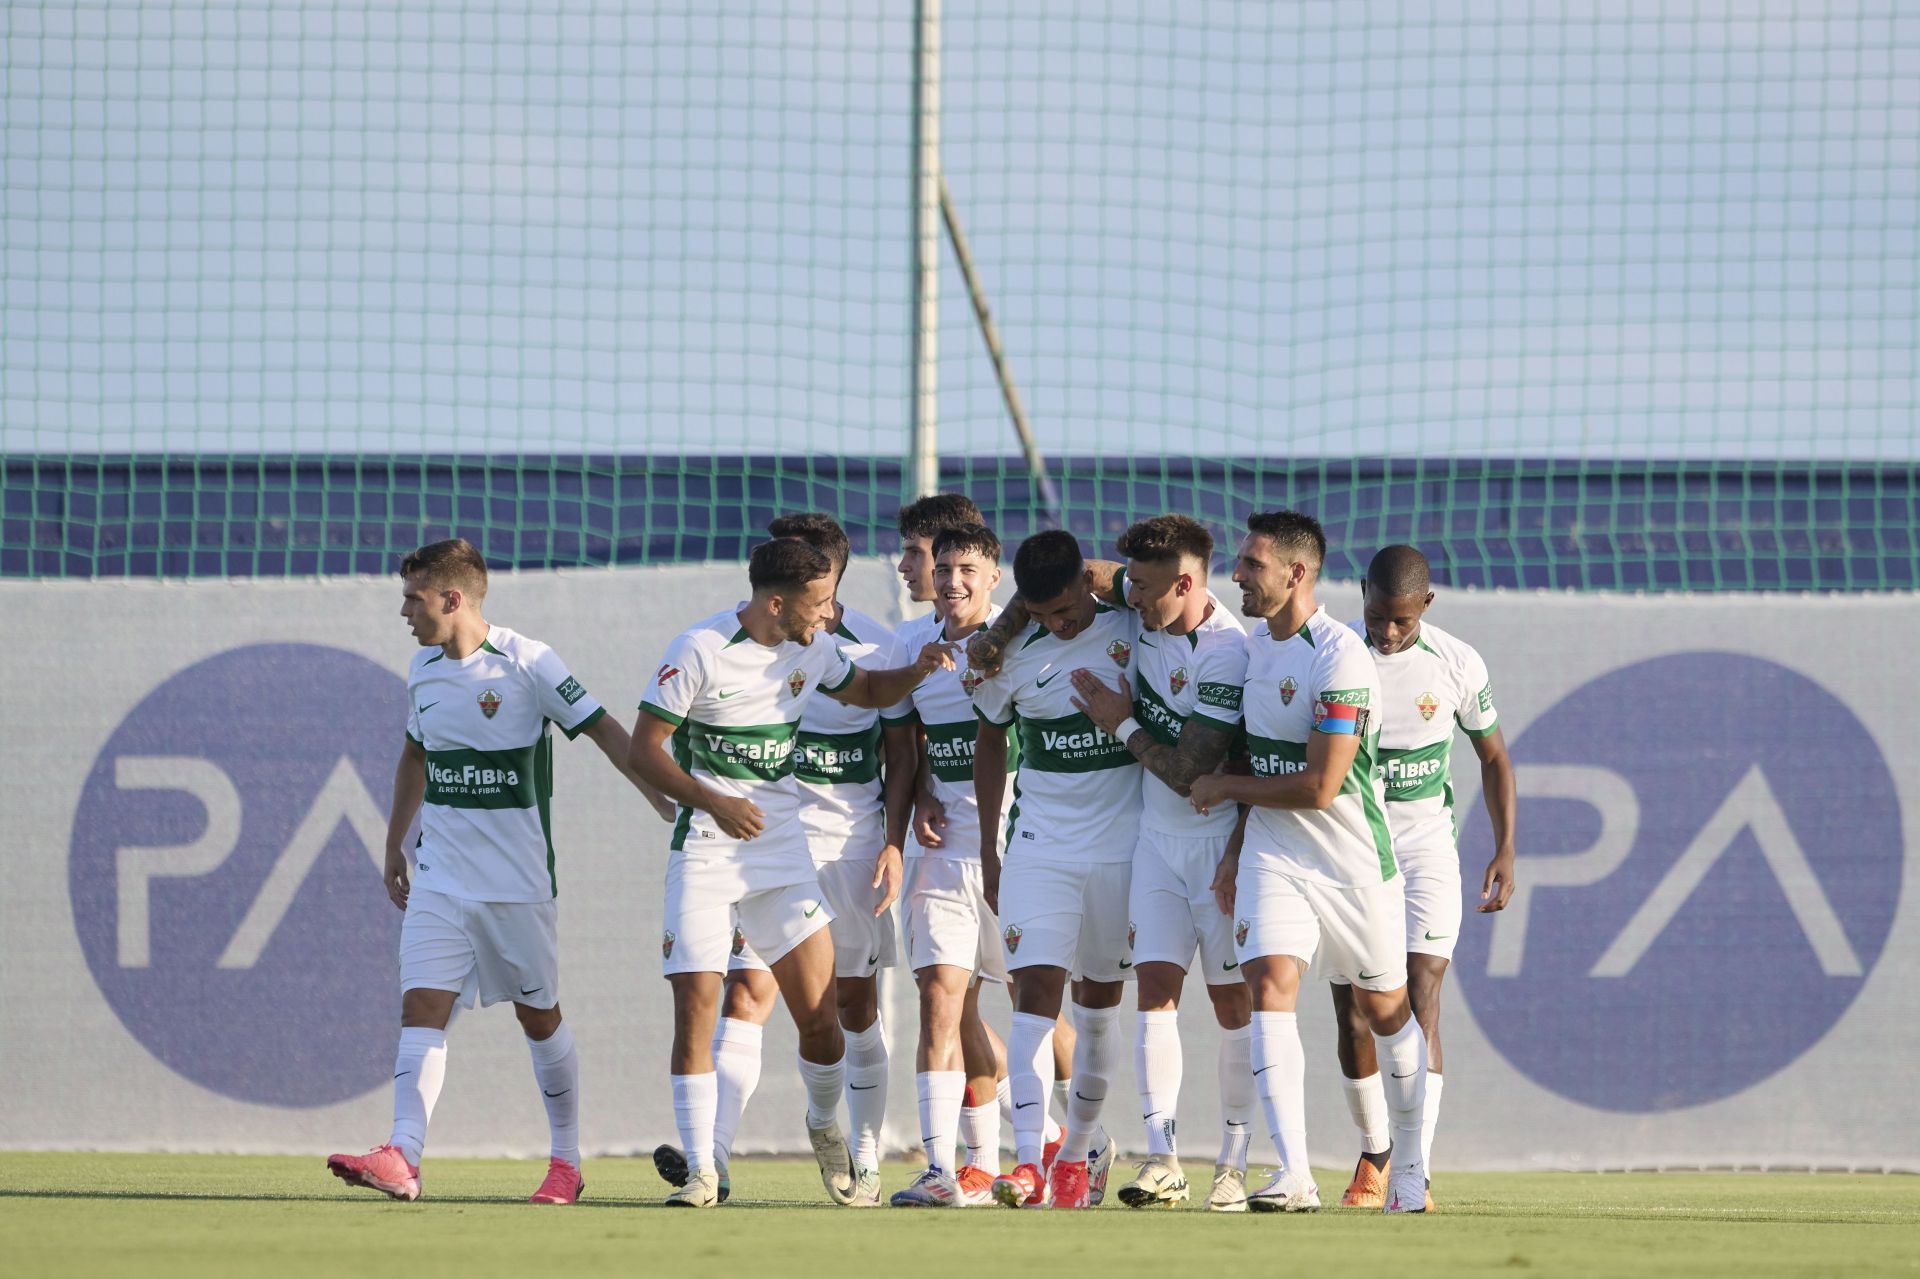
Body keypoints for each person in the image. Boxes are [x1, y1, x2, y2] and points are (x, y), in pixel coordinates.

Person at [326, 537, 676, 1206]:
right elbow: (413, 758)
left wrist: (662, 794)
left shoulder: (529, 663)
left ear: (452, 599)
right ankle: (404, 1154)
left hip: (516, 884)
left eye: (414, 597)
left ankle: (566, 1163)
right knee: (422, 1004)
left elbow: (603, 728)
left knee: (538, 1016)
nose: (404, 610)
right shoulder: (422, 670)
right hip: (441, 875)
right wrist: (393, 841)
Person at [628, 538, 954, 1208]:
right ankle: (704, 1169)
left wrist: (918, 670)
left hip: (783, 856)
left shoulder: (817, 646)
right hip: (708, 851)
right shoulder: (698, 649)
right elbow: (643, 748)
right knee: (702, 1003)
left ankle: (824, 1124)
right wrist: (715, 800)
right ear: (777, 601)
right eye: (818, 599)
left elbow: (868, 690)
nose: (829, 612)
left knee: (824, 1019)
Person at [1190, 511, 1430, 1214]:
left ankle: (1408, 1162)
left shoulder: (1340, 657)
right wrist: (1237, 847)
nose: (1237, 574)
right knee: (1269, 983)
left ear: (1297, 573)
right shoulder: (1247, 649)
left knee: (1385, 1010)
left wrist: (1226, 788)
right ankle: (1294, 1171)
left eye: (1251, 564)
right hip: (1274, 851)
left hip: (1353, 864)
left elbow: (1322, 786)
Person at [1062, 515, 1256, 1212]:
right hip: (1156, 846)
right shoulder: (1140, 597)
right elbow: (1071, 570)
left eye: (1144, 588)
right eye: (1130, 584)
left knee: (1234, 1003)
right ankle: (1162, 1155)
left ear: (1185, 583)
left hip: (1222, 848)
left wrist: (1118, 719)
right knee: (1156, 995)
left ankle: (1232, 1162)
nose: (1130, 599)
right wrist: (995, 637)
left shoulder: (1228, 652)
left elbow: (1188, 772)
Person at [1328, 545, 1516, 1211]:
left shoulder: (1458, 663)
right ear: (1362, 595)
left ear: (1426, 606)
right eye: (1377, 616)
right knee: (1355, 1012)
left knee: (1420, 991)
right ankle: (1375, 1146)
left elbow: (1493, 756)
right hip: (1349, 847)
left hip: (1426, 848)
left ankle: (1414, 1167)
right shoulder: (1333, 650)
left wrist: (1505, 848)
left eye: (1400, 621)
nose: (1385, 632)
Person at [970, 530, 1138, 1210]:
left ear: (1088, 584)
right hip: (1040, 845)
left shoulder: (1135, 627)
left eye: (1067, 608)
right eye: (1042, 615)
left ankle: (1082, 1149)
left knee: (1096, 1013)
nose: (1058, 623)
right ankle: (1031, 1157)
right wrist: (989, 846)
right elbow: (989, 741)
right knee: (1032, 996)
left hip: (1124, 849)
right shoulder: (1007, 654)